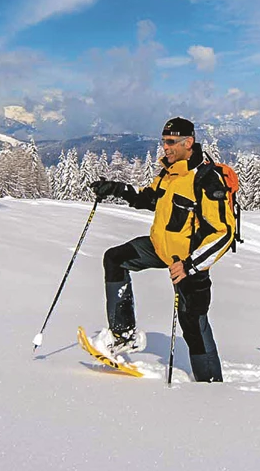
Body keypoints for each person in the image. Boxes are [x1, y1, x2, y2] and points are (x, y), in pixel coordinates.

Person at [88, 117, 234, 382]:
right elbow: (149, 198)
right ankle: (123, 336)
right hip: (159, 247)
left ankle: (211, 385)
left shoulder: (206, 179)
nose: (164, 147)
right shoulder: (170, 172)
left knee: (193, 325)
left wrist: (190, 265)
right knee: (115, 258)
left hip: (190, 263)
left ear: (188, 142)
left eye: (170, 142)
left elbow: (223, 233)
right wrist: (117, 189)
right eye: (163, 141)